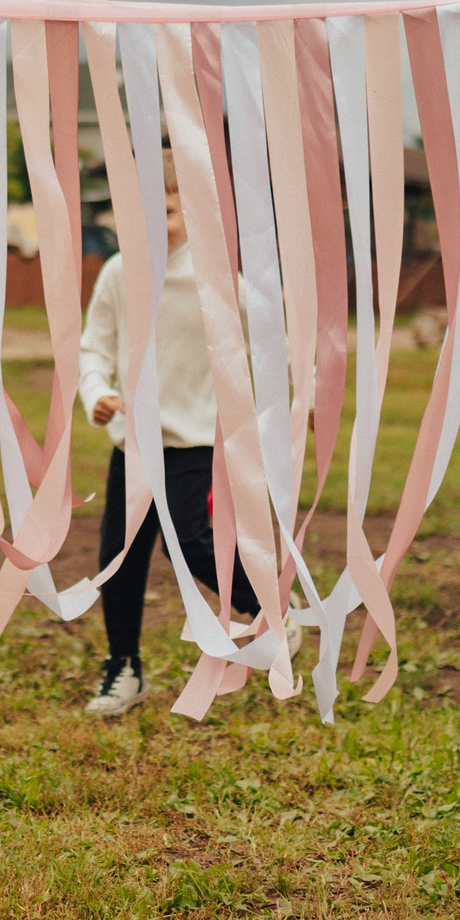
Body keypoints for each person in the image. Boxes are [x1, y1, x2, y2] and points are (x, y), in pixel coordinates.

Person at [77, 152, 268, 718]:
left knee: (190, 543)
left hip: (194, 443)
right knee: (120, 553)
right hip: (133, 445)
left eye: (164, 210)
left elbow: (266, 339)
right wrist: (97, 394)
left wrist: (295, 397)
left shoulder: (217, 280)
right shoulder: (118, 273)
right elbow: (94, 346)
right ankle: (124, 667)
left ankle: (265, 612)